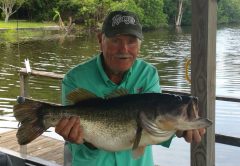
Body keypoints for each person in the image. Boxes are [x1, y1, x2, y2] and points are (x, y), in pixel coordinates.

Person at [55, 10, 206, 166]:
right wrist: (77, 137)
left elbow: (153, 124)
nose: (124, 49)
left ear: (139, 44)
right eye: (116, 40)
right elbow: (75, 138)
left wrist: (178, 129)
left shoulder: (148, 74)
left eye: (131, 41)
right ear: (100, 39)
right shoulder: (74, 78)